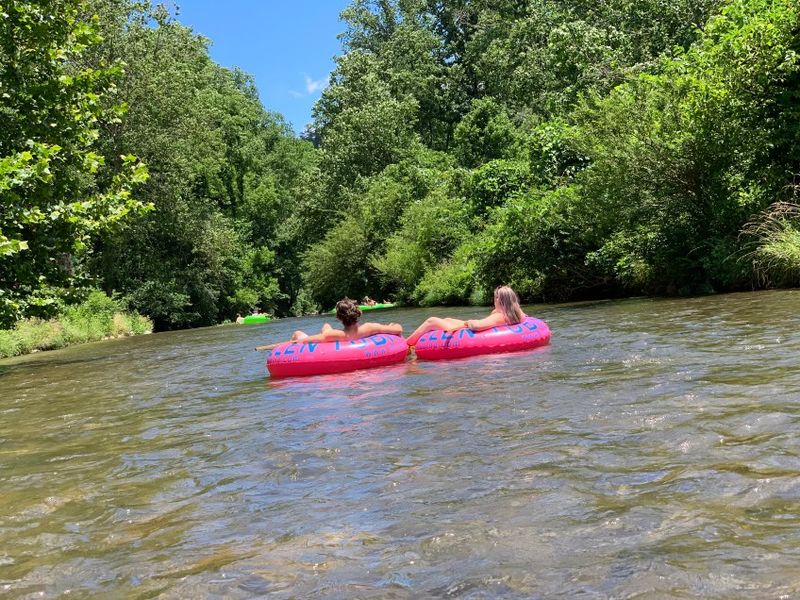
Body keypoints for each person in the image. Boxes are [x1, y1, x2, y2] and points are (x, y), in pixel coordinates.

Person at [256, 297, 402, 351]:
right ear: (359, 314)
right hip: (351, 334)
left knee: (298, 333)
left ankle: (325, 324)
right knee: (326, 326)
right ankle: (326, 324)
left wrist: (290, 343)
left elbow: (304, 340)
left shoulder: (332, 335)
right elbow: (398, 329)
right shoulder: (370, 328)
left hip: (333, 335)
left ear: (339, 318)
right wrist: (390, 326)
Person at [405, 285, 526, 347]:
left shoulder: (499, 316)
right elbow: (526, 318)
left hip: (468, 331)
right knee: (448, 319)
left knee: (432, 321)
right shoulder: (518, 313)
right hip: (472, 327)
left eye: (495, 298)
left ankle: (406, 344)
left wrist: (470, 322)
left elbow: (477, 326)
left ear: (499, 300)